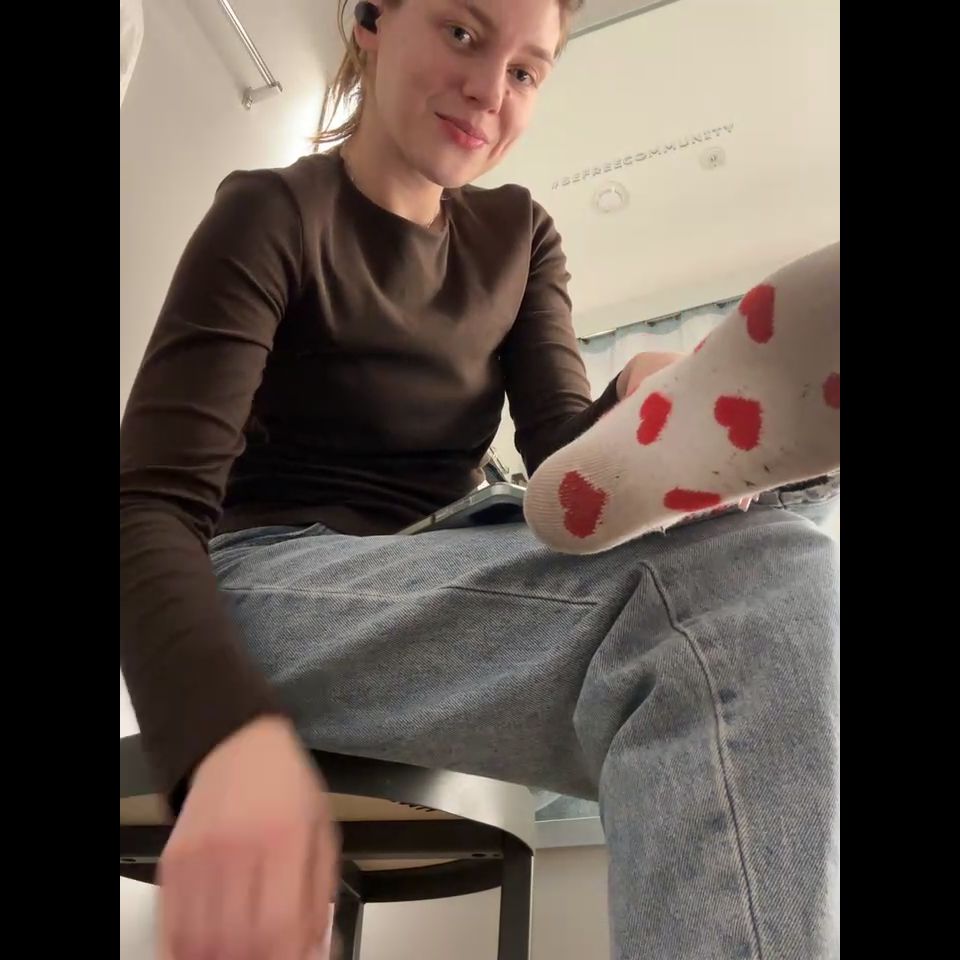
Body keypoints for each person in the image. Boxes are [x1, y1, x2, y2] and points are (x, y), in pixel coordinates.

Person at [119, 1, 840, 957]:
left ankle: (693, 426)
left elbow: (565, 464)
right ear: (372, 19)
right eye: (463, 33)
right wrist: (220, 741)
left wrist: (635, 396)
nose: (490, 92)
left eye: (526, 71)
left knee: (781, 570)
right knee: (734, 596)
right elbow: (148, 506)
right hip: (263, 583)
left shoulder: (518, 235)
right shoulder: (273, 211)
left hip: (445, 562)